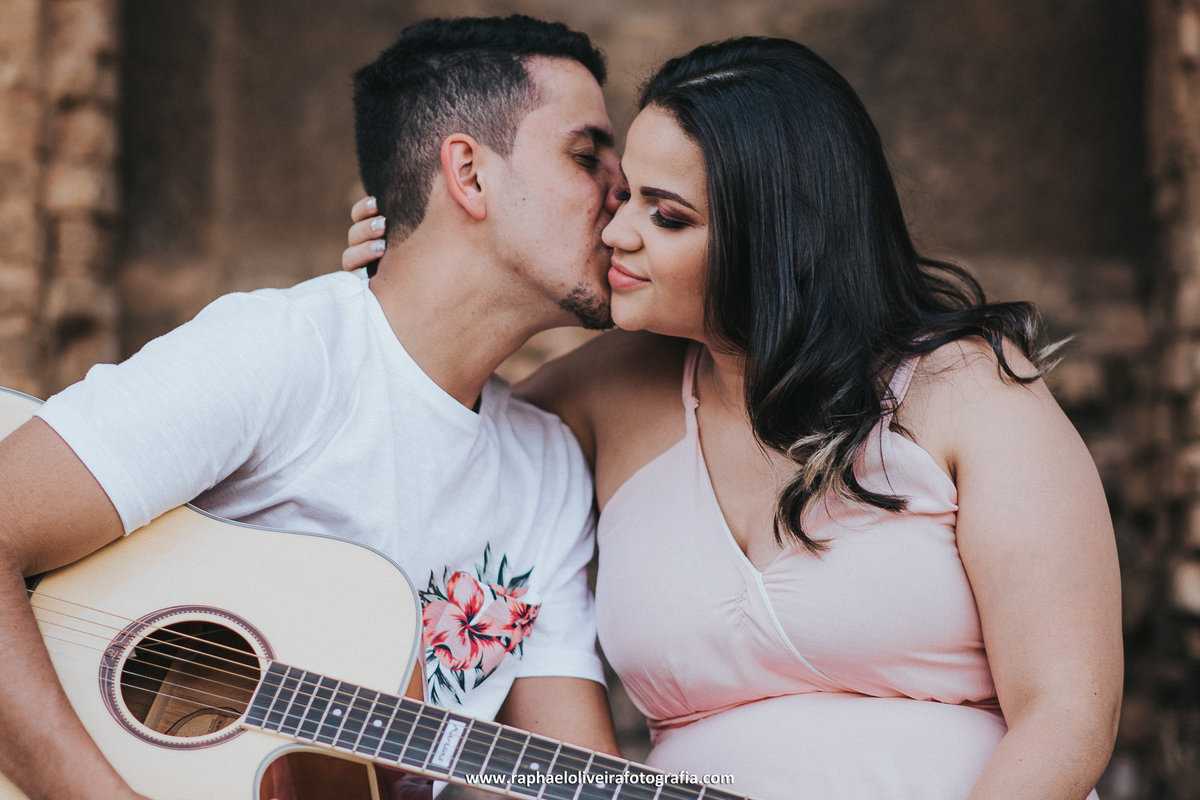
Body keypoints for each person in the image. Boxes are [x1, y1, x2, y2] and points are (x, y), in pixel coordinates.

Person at [346, 36, 1122, 799]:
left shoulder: (969, 389)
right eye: (624, 197)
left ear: (780, 242)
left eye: (668, 216)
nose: (617, 233)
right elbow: (414, 445)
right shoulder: (596, 398)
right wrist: (400, 292)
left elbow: (1069, 716)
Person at [0, 16, 627, 800]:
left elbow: (565, 776)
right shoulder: (283, 352)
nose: (624, 194)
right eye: (587, 156)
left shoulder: (548, 472)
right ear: (469, 174)